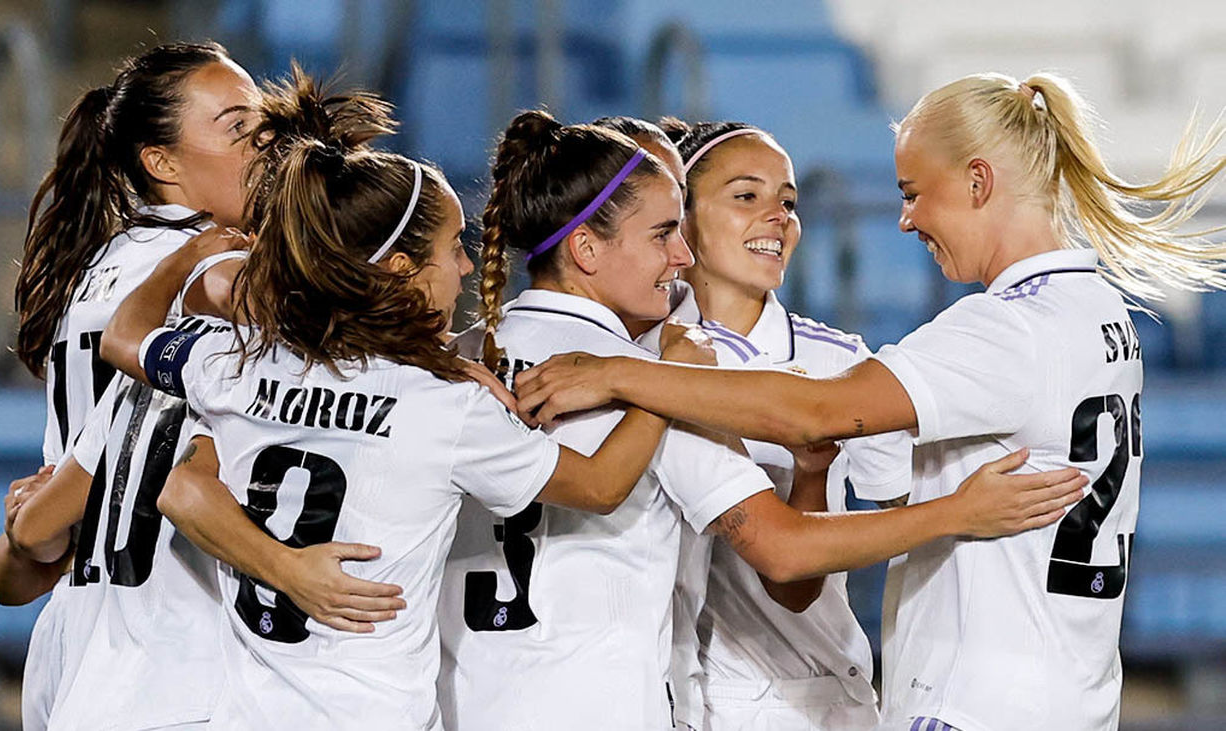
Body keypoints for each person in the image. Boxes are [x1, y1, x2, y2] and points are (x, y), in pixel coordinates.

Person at [515, 72, 1226, 730]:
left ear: (978, 181)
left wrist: (618, 375)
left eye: (916, 192)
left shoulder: (997, 328)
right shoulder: (1099, 311)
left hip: (971, 700)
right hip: (1069, 690)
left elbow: (813, 421)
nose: (906, 219)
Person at [440, 110, 1084, 731]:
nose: (681, 255)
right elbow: (783, 545)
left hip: (466, 701)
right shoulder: (668, 382)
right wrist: (959, 512)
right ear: (586, 245)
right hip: (613, 703)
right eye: (664, 232)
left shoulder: (451, 365)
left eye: (788, 199)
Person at [96, 91, 696, 730]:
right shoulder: (444, 407)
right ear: (403, 269)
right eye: (453, 247)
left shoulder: (238, 364)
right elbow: (601, 485)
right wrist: (666, 381)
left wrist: (180, 262)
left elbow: (124, 338)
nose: (468, 266)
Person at [0, 42, 261, 731]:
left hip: (79, 633)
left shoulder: (103, 262)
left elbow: (35, 546)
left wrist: (32, 525)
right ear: (161, 162)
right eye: (238, 128)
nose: (268, 146)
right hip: (171, 634)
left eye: (266, 124)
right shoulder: (211, 265)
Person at [645, 117, 913, 731]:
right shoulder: (638, 354)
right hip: (669, 697)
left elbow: (900, 516)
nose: (778, 217)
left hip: (814, 700)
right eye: (746, 196)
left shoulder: (842, 362)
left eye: (787, 202)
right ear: (679, 218)